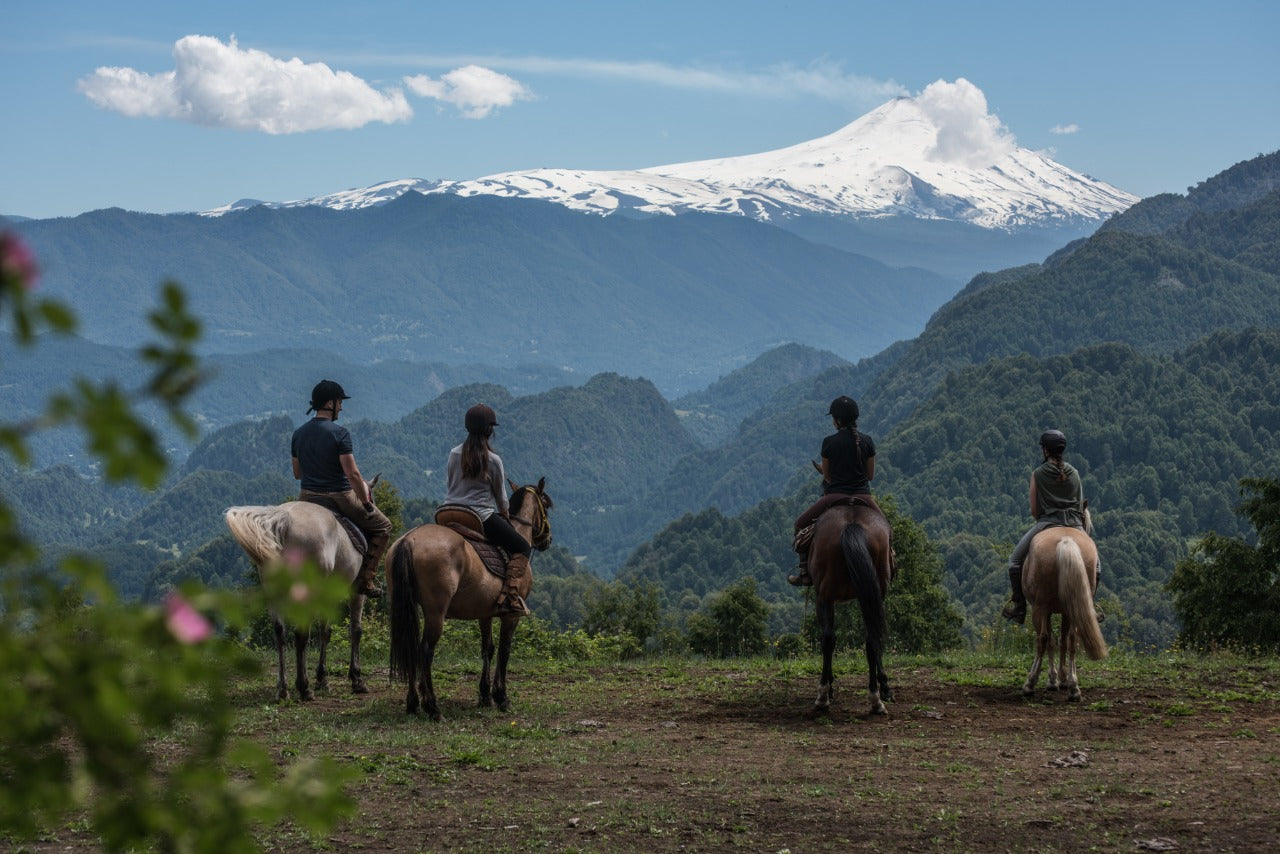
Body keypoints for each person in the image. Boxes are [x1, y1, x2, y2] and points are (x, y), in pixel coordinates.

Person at [290, 379, 393, 598]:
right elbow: (353, 474)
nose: (342, 407)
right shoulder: (340, 433)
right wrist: (365, 503)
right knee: (384, 526)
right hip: (339, 495)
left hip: (306, 496)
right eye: (339, 402)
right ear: (330, 403)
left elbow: (297, 474)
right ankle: (366, 580)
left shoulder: (298, 434)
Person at [1001, 429, 1102, 624]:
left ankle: (1020, 608)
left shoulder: (1038, 474)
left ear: (1045, 450)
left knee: (1014, 561)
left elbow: (1034, 510)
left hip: (1047, 523)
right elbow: (1081, 507)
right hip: (1075, 524)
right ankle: (1090, 606)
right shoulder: (1075, 473)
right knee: (1096, 565)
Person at [788, 395, 888, 586]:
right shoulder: (868, 441)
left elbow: (826, 476)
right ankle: (888, 570)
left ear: (838, 420)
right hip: (863, 496)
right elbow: (870, 475)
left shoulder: (829, 442)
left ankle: (804, 573)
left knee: (800, 525)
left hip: (834, 496)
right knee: (887, 529)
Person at [445, 403, 532, 616]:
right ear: (489, 430)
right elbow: (501, 498)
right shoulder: (493, 460)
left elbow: (450, 483)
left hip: (448, 511)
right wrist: (505, 515)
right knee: (522, 546)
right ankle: (511, 596)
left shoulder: (454, 453)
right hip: (479, 516)